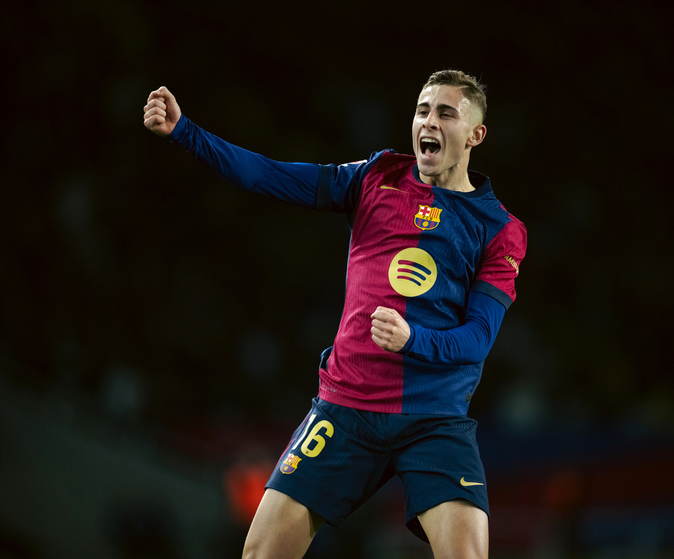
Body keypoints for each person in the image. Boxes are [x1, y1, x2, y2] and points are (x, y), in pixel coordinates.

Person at [143, 69, 527, 559]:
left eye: (446, 113)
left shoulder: (499, 228)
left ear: (475, 135)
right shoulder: (375, 176)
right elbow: (269, 175)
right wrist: (185, 132)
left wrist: (413, 339)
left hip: (434, 419)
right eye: (422, 111)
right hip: (346, 410)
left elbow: (477, 339)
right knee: (260, 554)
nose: (429, 121)